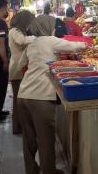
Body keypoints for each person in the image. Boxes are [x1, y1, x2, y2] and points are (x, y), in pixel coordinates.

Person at [16, 15, 86, 174]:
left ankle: (31, 170)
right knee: (45, 140)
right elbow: (74, 46)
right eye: (53, 25)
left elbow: (20, 65)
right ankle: (49, 171)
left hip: (23, 95)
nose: (55, 29)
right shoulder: (50, 40)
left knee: (29, 139)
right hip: (41, 98)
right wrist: (88, 44)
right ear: (47, 27)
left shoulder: (32, 44)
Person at [8, 10, 35, 134]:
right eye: (29, 22)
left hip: (20, 67)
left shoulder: (20, 31)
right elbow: (22, 41)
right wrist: (35, 38)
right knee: (18, 100)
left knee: (21, 99)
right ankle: (18, 127)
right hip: (17, 68)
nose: (30, 25)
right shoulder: (15, 31)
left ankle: (21, 126)